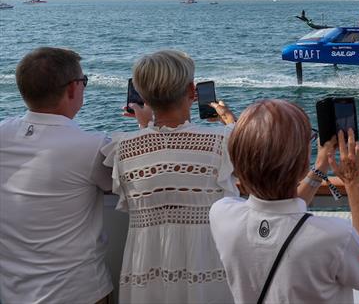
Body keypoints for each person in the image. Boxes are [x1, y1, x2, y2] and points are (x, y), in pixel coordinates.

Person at [209, 99, 359, 304]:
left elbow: (278, 210)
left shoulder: (221, 214)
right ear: (300, 167)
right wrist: (353, 184)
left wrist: (320, 166)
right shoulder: (336, 237)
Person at [102, 50, 237, 303]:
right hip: (205, 270)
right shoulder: (222, 141)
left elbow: (160, 159)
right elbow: (252, 154)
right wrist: (229, 120)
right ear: (192, 91)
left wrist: (144, 129)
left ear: (142, 95)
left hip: (146, 271)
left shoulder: (122, 147)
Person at [0, 47, 113, 304]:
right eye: (84, 82)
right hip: (79, 292)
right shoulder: (92, 146)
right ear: (72, 88)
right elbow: (128, 186)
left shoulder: (2, 134)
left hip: (13, 292)